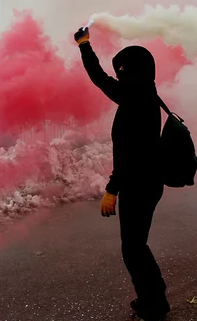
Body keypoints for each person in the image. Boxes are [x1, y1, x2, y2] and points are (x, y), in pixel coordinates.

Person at [74, 27, 168, 321]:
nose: (117, 77)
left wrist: (112, 190)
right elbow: (102, 79)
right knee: (137, 246)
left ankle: (153, 303)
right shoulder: (143, 93)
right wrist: (85, 46)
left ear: (130, 72)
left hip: (138, 184)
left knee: (134, 248)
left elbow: (131, 156)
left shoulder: (134, 101)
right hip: (148, 182)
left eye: (121, 71)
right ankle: (154, 296)